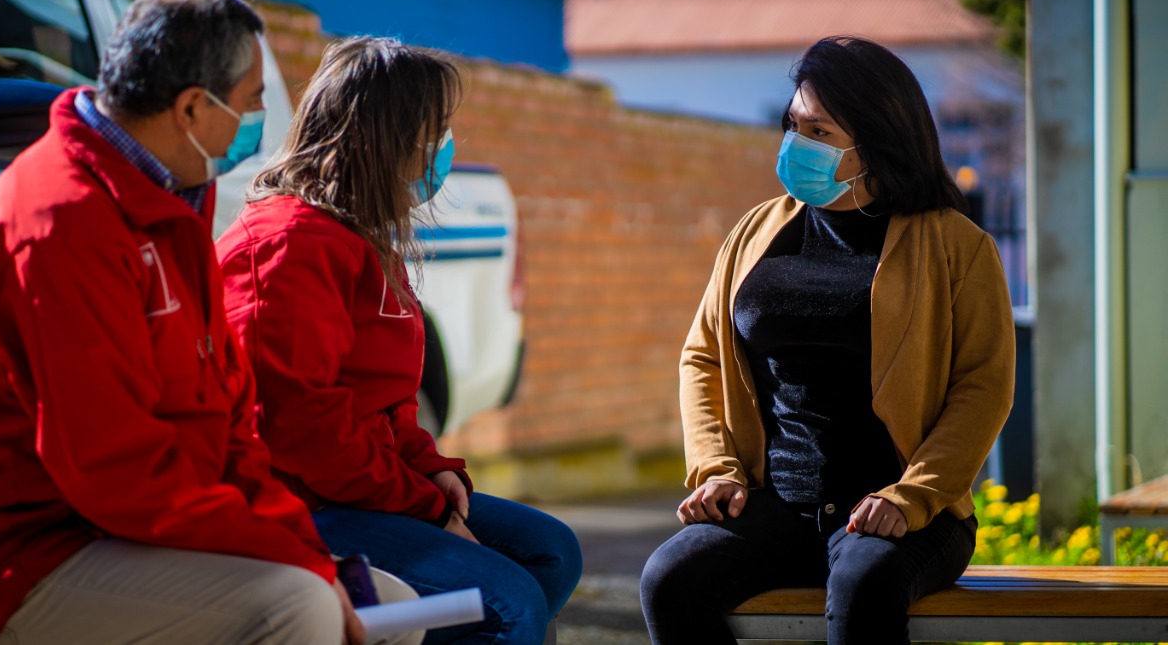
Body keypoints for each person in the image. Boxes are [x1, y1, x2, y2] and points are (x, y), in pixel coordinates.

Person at [0, 0, 421, 645]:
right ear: (190, 108)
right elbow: (112, 465)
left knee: (393, 609)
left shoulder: (170, 201)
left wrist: (299, 544)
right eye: (249, 102)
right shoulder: (60, 221)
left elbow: (230, 421)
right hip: (22, 553)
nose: (258, 120)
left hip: (129, 526)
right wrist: (295, 562)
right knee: (296, 607)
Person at [640, 36, 1015, 645]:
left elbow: (983, 385)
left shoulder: (956, 245)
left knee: (864, 586)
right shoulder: (756, 230)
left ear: (876, 141)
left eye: (819, 131)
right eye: (793, 125)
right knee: (669, 579)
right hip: (777, 504)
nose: (795, 144)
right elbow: (702, 355)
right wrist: (716, 469)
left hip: (904, 511)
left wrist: (912, 495)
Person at [216, 36, 583, 645]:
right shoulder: (287, 246)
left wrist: (431, 471)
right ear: (384, 138)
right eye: (433, 131)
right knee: (504, 602)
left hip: (352, 488)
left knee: (550, 552)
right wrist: (426, 508)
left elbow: (386, 402)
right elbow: (299, 426)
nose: (443, 148)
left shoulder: (360, 236)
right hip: (297, 502)